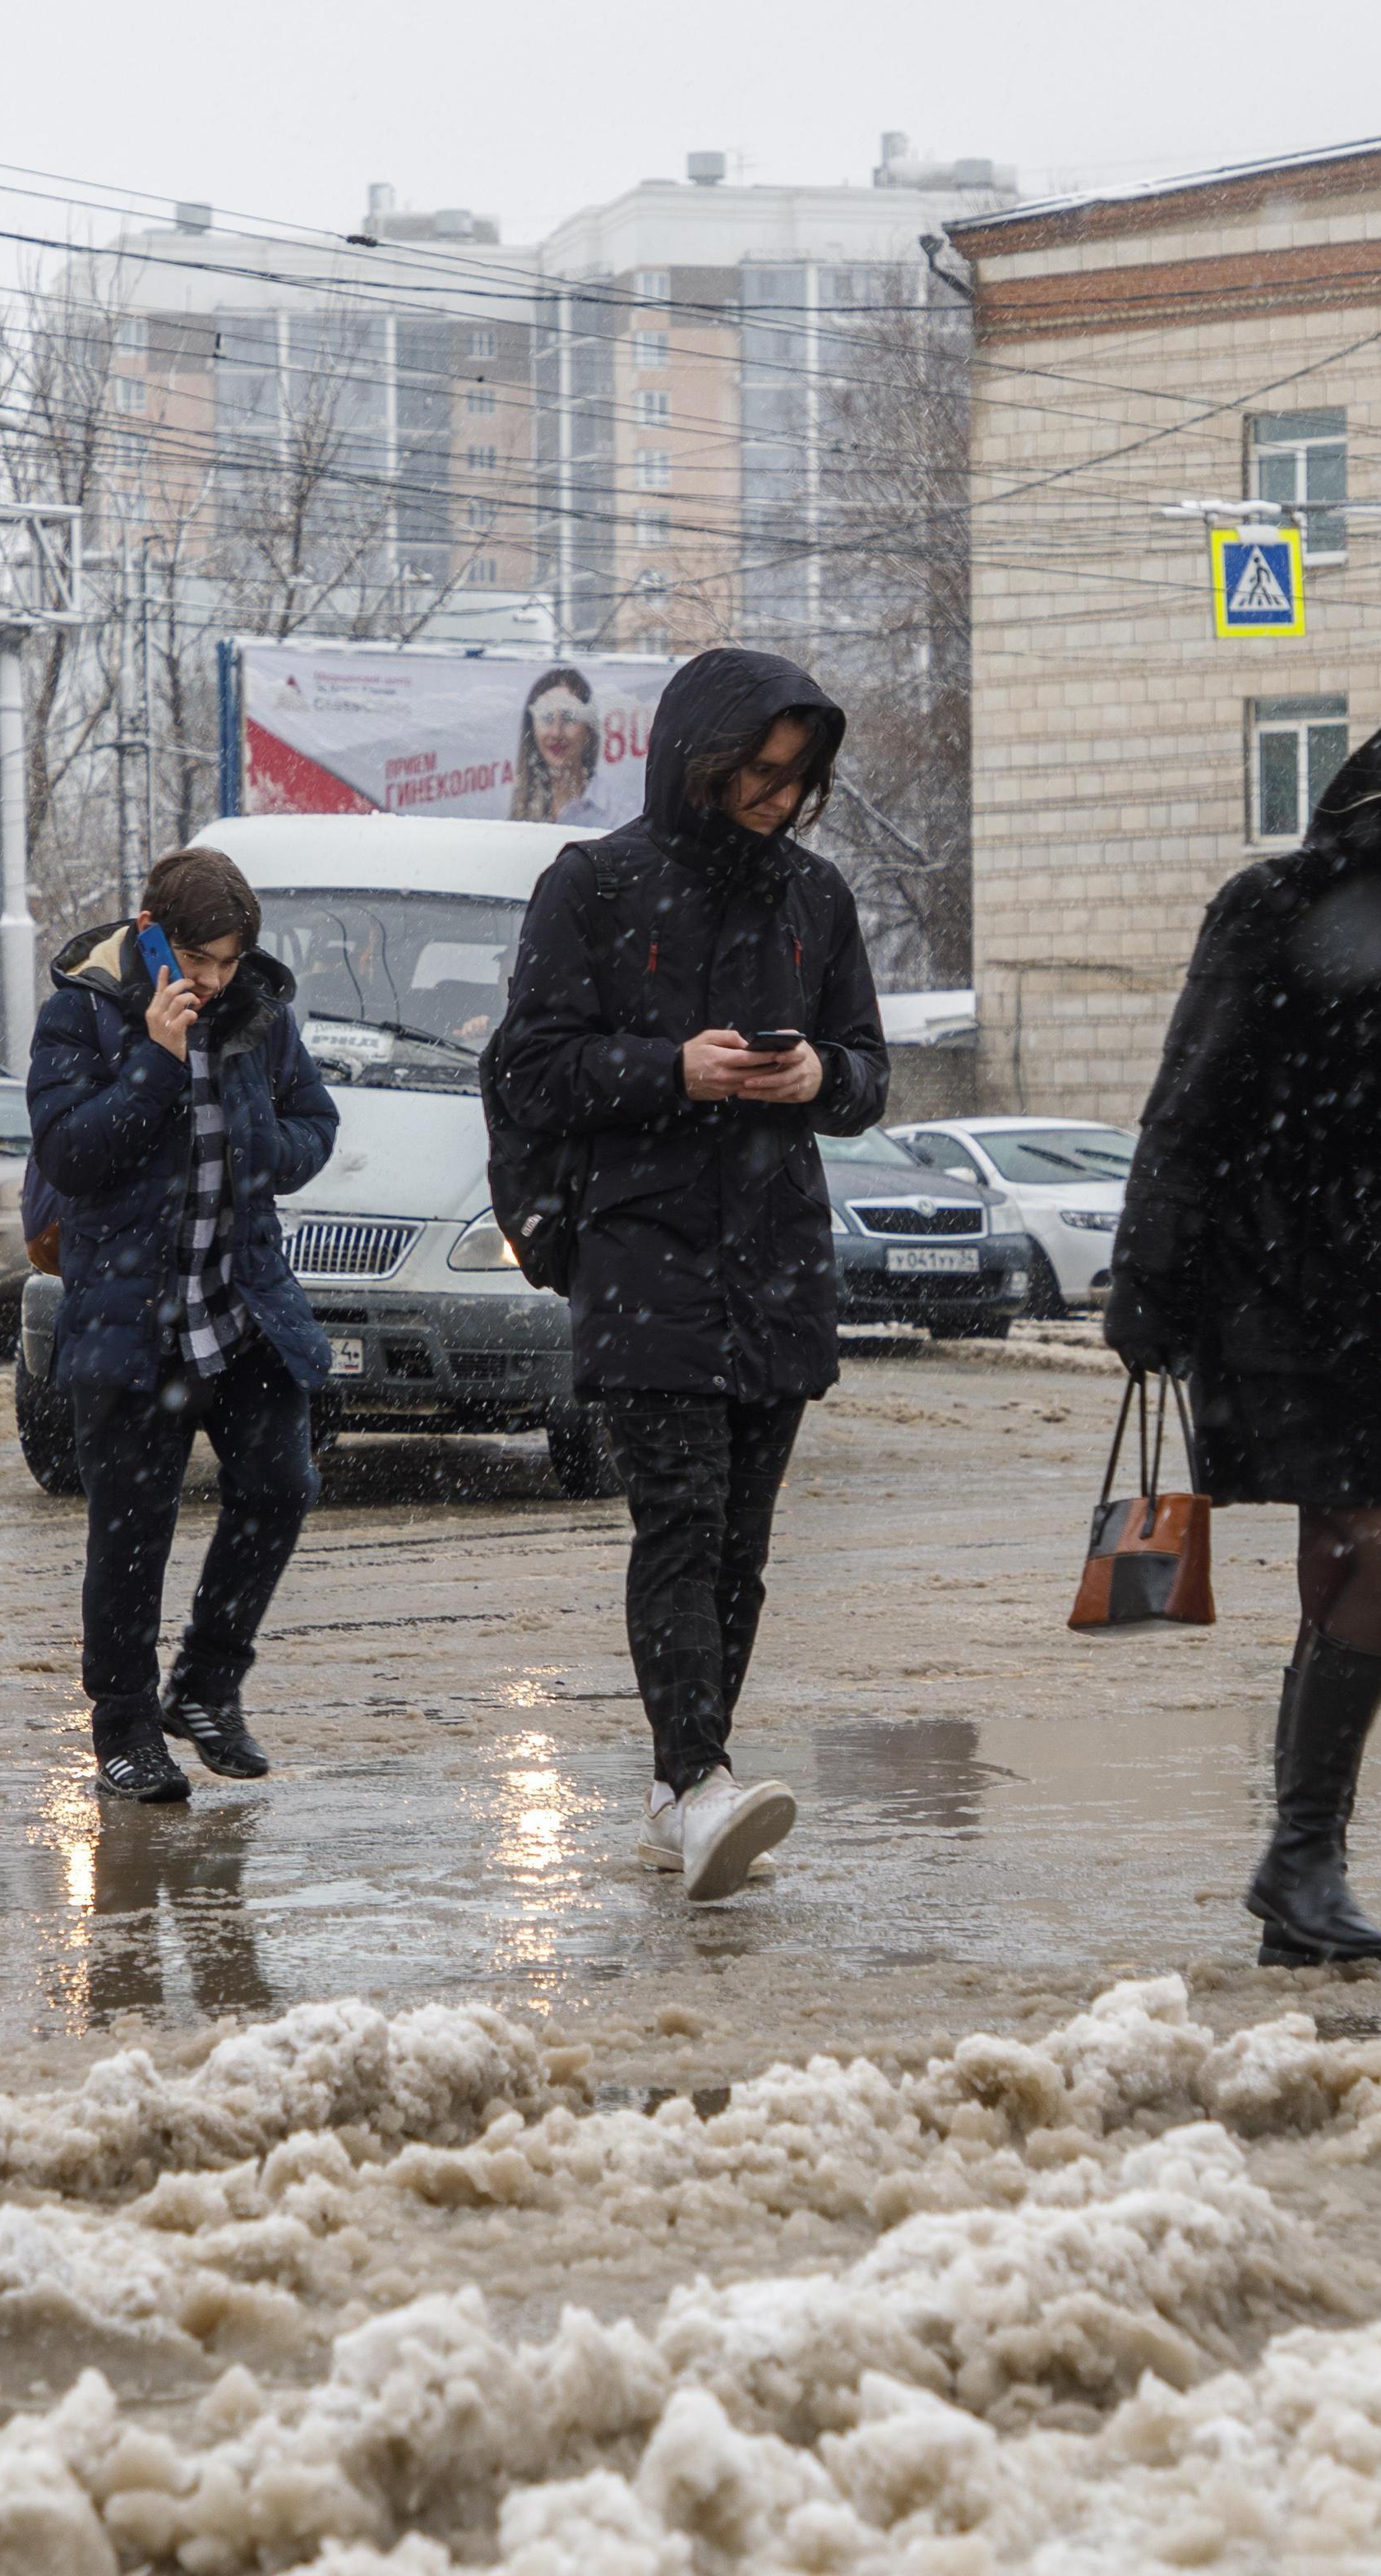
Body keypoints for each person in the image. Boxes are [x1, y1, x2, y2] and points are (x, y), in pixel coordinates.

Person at [1107, 682, 1381, 1971]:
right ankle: (1306, 1860)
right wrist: (1149, 1278)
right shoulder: (1275, 907)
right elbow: (1188, 1097)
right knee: (1375, 1549)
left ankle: (1304, 1864)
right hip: (1282, 1289)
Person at [492, 647, 889, 1900]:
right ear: (696, 758)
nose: (778, 796)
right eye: (758, 772)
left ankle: (678, 1793)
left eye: (798, 776)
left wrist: (820, 1075)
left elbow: (871, 1073)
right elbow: (532, 1067)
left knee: (743, 1543)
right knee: (681, 1516)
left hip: (775, 1256)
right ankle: (702, 1773)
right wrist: (677, 1069)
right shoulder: (595, 885)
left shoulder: (815, 900)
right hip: (641, 1250)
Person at [31, 847, 339, 1806]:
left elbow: (314, 1123)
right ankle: (122, 1729)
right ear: (151, 931)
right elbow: (71, 1155)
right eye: (198, 958)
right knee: (130, 1533)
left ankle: (206, 1683)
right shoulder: (80, 1012)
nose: (211, 980)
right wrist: (157, 1067)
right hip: (130, 1317)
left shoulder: (257, 1012)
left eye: (228, 961)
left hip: (239, 1304)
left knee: (282, 1485)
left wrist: (262, 1148)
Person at [507, 665, 597, 825]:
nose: (556, 733)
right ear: (532, 729)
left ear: (588, 729)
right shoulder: (522, 811)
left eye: (569, 717)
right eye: (547, 718)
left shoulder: (621, 813)